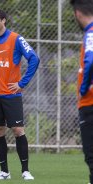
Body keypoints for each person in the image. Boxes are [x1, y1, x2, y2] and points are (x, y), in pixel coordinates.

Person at [0, 9, 39, 180]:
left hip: (11, 95)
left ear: (3, 21)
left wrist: (22, 83)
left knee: (18, 130)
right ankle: (4, 172)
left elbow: (34, 58)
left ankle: (25, 171)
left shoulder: (16, 39)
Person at [70, 0, 93, 183]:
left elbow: (90, 60)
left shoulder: (91, 33)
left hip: (90, 104)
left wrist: (83, 89)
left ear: (77, 13)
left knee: (91, 156)